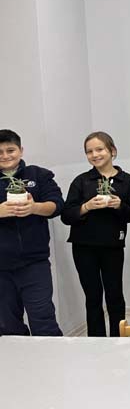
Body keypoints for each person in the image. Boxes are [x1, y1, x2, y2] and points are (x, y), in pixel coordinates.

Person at [61, 131, 130, 337]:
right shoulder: (82, 181)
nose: (94, 154)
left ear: (112, 151)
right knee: (93, 296)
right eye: (89, 151)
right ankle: (95, 341)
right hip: (84, 246)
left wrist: (119, 205)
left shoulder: (126, 180)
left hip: (113, 245)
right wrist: (86, 206)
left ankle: (118, 337)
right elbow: (66, 215)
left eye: (99, 149)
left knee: (115, 294)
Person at [0, 129, 64, 336]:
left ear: (21, 150)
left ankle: (53, 357)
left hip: (34, 263)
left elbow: (57, 205)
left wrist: (34, 207)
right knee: (7, 325)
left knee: (43, 320)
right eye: (0, 152)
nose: (5, 156)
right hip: (1, 268)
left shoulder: (38, 175)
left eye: (10, 150)